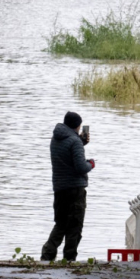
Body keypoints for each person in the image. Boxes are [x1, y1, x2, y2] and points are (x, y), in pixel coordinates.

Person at [40, 111, 94, 262]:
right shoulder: (74, 141)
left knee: (61, 224)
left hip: (60, 189)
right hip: (75, 189)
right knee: (75, 227)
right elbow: (80, 167)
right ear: (77, 126)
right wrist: (91, 164)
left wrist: (80, 141)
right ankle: (69, 259)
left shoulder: (56, 139)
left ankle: (47, 256)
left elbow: (66, 152)